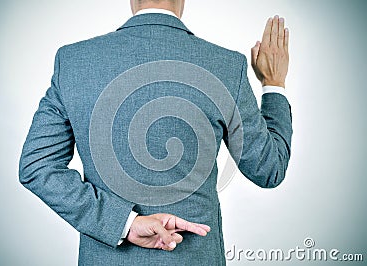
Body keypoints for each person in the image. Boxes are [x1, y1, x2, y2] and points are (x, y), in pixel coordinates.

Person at [19, 0, 292, 265]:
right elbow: (268, 169)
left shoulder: (74, 62)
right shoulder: (226, 66)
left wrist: (125, 224)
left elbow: (38, 167)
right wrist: (273, 84)